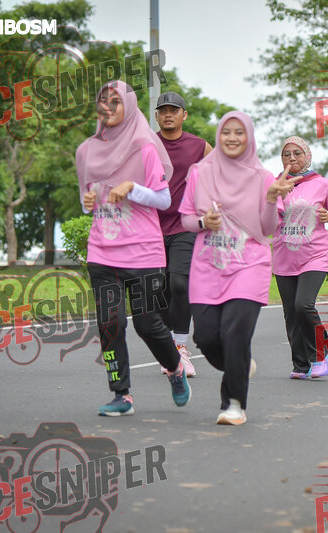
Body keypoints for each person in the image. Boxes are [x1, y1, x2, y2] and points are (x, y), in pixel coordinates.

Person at [77, 80, 190, 416]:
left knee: (147, 324)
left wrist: (131, 188)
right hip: (102, 251)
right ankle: (121, 395)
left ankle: (175, 367)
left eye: (116, 101)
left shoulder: (145, 148)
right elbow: (88, 200)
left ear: (128, 106)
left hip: (143, 252)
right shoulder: (86, 151)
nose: (108, 107)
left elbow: (164, 199)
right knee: (110, 323)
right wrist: (87, 203)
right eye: (103, 101)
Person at [179, 110, 290, 425]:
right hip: (207, 266)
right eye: (226, 131)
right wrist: (204, 221)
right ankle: (240, 363)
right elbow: (186, 219)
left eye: (239, 132)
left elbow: (268, 229)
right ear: (218, 135)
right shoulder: (200, 172)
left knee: (235, 333)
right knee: (206, 338)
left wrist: (271, 199)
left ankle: (234, 405)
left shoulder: (264, 178)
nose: (232, 138)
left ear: (249, 137)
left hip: (249, 265)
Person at [273, 136, 328, 380]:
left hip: (314, 254)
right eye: (286, 154)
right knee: (291, 313)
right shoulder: (275, 185)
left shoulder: (321, 184)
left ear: (307, 156)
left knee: (303, 305)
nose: (292, 158)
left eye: (297, 153)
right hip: (284, 256)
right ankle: (301, 365)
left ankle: (321, 356)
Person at [154, 91, 212, 377]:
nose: (168, 114)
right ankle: (169, 350)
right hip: (151, 229)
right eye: (163, 110)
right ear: (156, 116)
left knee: (180, 283)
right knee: (159, 289)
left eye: (174, 110)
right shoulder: (147, 145)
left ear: (184, 115)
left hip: (185, 226)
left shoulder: (200, 146)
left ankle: (180, 348)